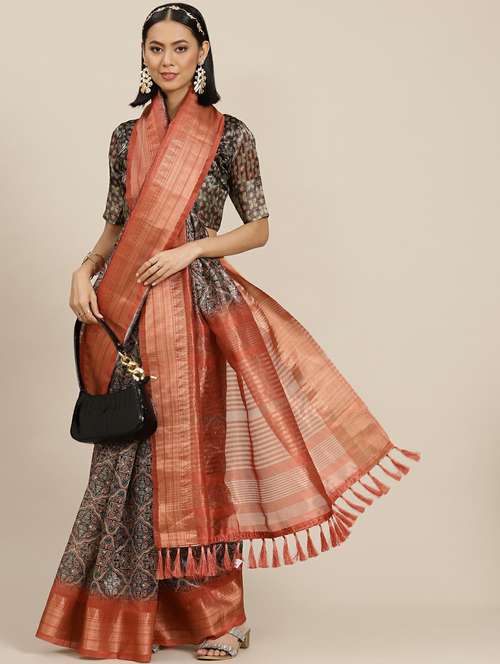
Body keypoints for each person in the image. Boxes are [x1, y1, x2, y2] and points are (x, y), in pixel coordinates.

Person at [35, 3, 422, 662]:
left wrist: (192, 250)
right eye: (155, 48)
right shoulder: (125, 137)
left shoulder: (228, 134)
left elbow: (259, 227)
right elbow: (116, 223)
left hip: (195, 310)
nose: (166, 60)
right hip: (126, 308)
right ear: (143, 55)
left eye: (179, 48)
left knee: (195, 463)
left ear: (203, 53)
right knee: (129, 454)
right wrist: (84, 268)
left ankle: (221, 620)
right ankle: (138, 617)